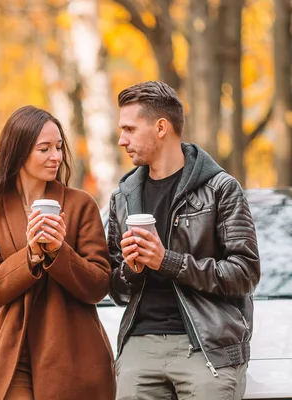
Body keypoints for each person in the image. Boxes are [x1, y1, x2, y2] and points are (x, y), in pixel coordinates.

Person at [108, 81, 261, 400]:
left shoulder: (221, 190)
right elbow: (118, 291)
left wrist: (168, 261)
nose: (122, 140)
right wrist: (133, 269)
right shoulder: (123, 198)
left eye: (130, 129)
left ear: (161, 127)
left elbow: (245, 274)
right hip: (141, 343)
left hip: (206, 345)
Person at [0, 105, 116, 399]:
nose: (56, 157)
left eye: (59, 147)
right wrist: (31, 256)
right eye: (44, 149)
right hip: (15, 352)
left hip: (74, 354)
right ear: (18, 152)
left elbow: (98, 285)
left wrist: (60, 252)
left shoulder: (80, 205)